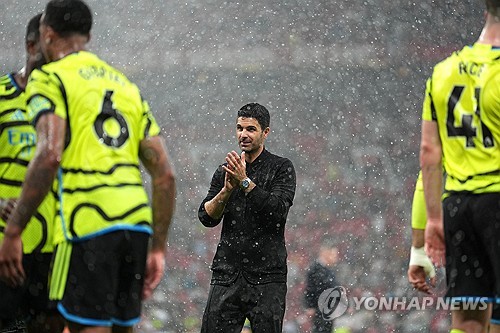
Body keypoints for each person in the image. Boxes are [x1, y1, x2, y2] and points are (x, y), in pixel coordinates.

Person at [0, 1, 176, 332]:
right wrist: (157, 248)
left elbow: (50, 154)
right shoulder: (124, 85)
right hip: (136, 225)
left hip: (88, 223)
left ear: (47, 34)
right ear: (89, 36)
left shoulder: (51, 78)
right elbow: (165, 176)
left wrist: (13, 231)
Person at [421, 1, 500, 331]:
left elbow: (429, 151)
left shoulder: (443, 70)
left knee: (468, 311)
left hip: (456, 205)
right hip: (497, 197)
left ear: (486, 12)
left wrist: (434, 218)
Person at [198, 102, 296, 333]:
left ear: (265, 132)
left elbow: (277, 211)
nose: (243, 134)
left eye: (251, 129)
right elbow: (206, 217)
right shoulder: (225, 171)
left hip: (267, 276)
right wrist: (226, 191)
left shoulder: (281, 168)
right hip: (227, 274)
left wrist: (245, 182)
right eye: (239, 128)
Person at [0, 13, 65, 333]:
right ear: (31, 46)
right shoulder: (1, 96)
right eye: (52, 50)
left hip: (54, 250)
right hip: (6, 245)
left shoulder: (67, 106)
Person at [304, 238, 339, 333]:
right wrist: (310, 306)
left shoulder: (329, 270)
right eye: (333, 254)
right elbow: (310, 289)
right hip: (321, 310)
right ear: (325, 252)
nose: (336, 257)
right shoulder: (315, 269)